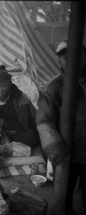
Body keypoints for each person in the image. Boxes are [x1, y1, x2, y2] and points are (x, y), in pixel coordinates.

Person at [36, 40, 86, 215]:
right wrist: (58, 155)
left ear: (84, 56)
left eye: (75, 55)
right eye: (65, 57)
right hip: (69, 154)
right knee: (64, 199)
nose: (70, 61)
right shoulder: (55, 88)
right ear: (59, 61)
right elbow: (44, 122)